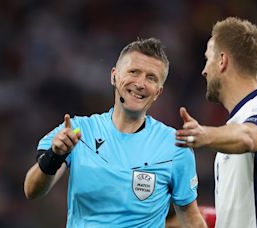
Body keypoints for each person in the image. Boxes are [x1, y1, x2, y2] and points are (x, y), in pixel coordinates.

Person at [24, 38, 206, 228]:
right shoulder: (78, 131)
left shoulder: (174, 146)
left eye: (151, 78)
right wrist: (55, 155)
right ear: (114, 76)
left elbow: (191, 219)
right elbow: (31, 190)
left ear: (158, 92)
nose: (140, 83)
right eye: (133, 72)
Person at [176, 17, 257, 228]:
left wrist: (204, 135)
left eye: (207, 59)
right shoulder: (236, 123)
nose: (204, 70)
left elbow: (249, 137)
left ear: (222, 61)